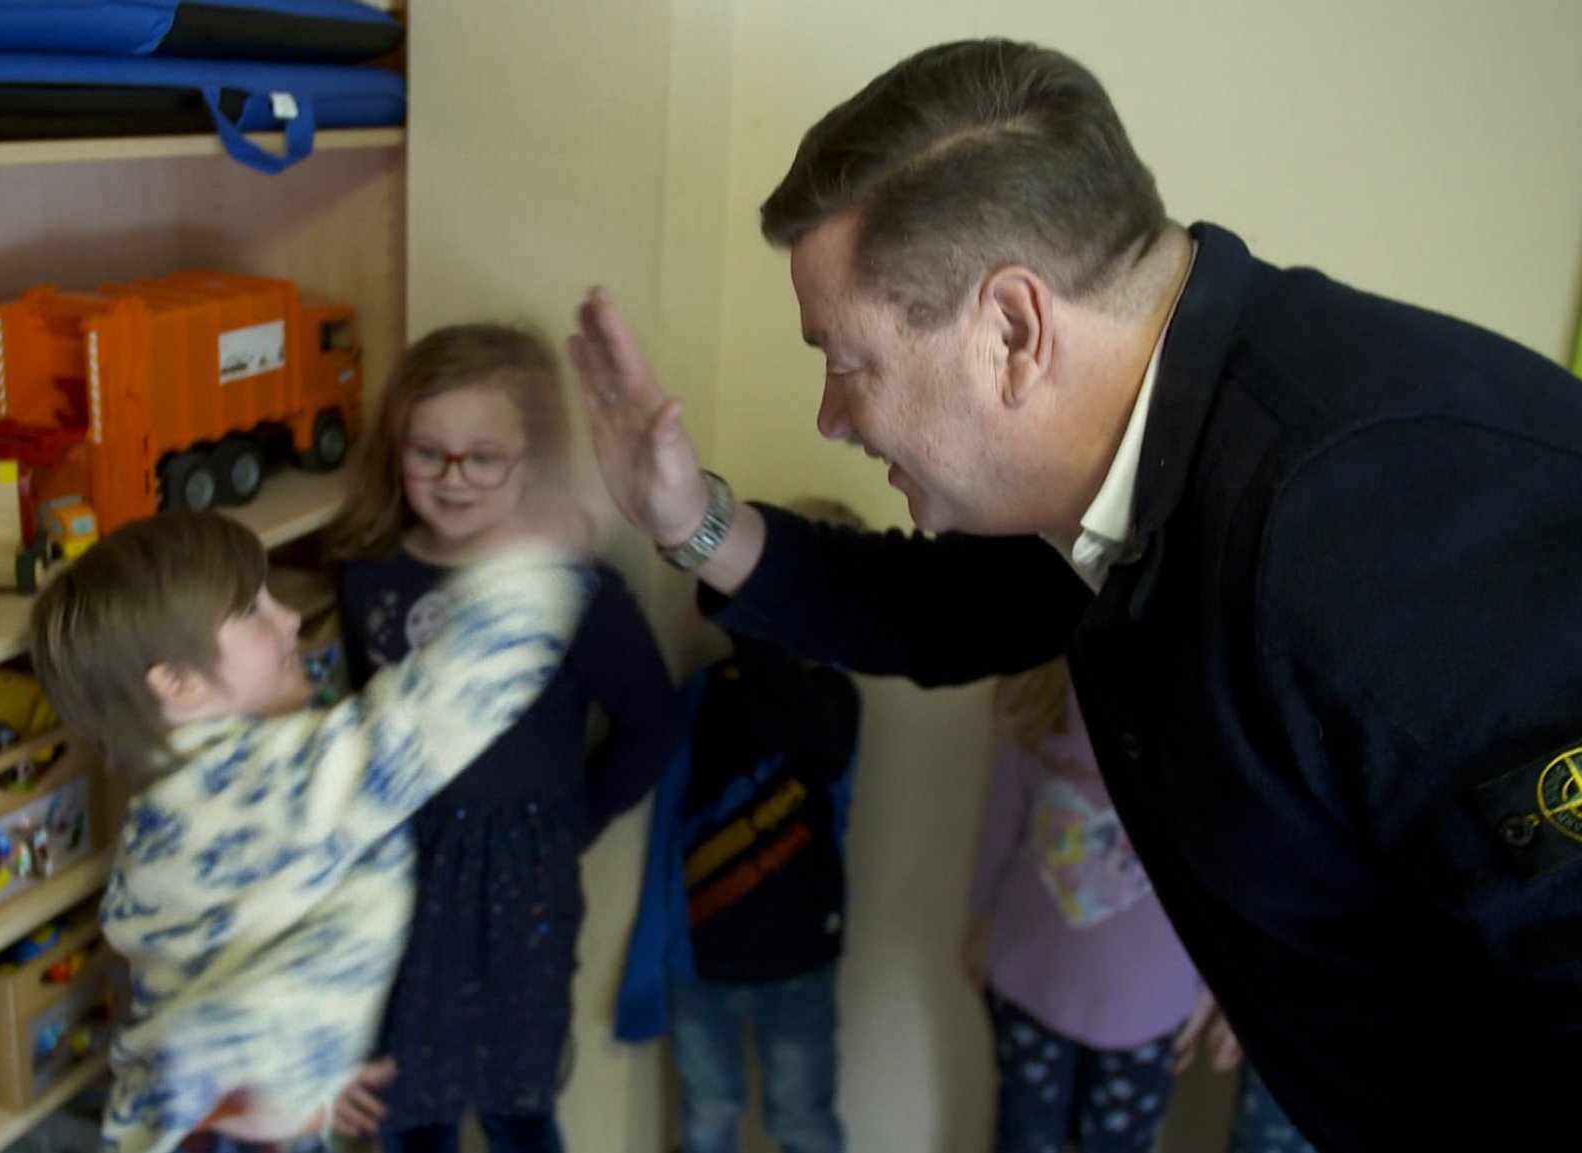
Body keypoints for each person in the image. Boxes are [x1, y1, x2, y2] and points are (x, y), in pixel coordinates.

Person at [565, 37, 1582, 1153]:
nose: (829, 415)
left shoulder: (1369, 532)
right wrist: (686, 521)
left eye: (846, 360)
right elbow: (925, 607)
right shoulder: (1144, 456)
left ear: (1010, 331)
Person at [26, 509, 589, 1153]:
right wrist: (537, 559)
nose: (289, 618)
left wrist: (305, 1070)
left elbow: (250, 958)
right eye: (252, 611)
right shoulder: (256, 785)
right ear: (179, 684)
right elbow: (432, 713)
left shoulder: (176, 799)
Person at [322, 324, 681, 1153]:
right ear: (397, 449)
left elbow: (652, 722)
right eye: (429, 453)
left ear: (532, 456)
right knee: (411, 1101)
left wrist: (571, 820)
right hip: (402, 873)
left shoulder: (574, 589)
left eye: (484, 456)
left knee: (520, 1101)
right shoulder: (368, 573)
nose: (453, 478)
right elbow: (359, 715)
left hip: (525, 878)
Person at [614, 495, 866, 1153]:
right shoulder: (706, 693)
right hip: (704, 960)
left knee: (802, 1118)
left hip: (799, 957)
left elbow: (790, 722)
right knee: (709, 1112)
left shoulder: (836, 701)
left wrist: (753, 611)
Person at [963, 659, 1198, 1153]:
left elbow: (1231, 863)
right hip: (1031, 978)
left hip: (1149, 1005)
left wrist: (1219, 989)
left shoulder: (1208, 702)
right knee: (1024, 1135)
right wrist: (980, 917)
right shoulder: (1039, 681)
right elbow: (1004, 812)